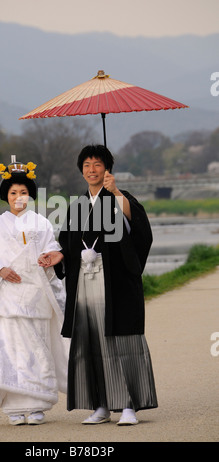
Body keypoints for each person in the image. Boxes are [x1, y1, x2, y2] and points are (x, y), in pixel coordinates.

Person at [39, 144, 158, 426]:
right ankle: (101, 404)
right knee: (90, 339)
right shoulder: (77, 205)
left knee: (119, 339)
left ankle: (128, 404)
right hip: (85, 281)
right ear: (81, 170)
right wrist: (59, 255)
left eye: (98, 164)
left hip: (115, 281)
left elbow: (138, 229)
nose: (92, 170)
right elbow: (68, 243)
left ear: (107, 169)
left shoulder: (120, 197)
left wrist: (116, 193)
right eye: (87, 165)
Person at [0, 156, 69, 426]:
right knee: (9, 351)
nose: (19, 197)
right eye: (13, 192)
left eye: (24, 192)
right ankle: (13, 407)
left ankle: (38, 405)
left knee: (38, 349)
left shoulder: (42, 224)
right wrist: (0, 270)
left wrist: (52, 257)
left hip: (36, 296)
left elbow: (55, 249)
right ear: (6, 195)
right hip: (8, 297)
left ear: (31, 195)